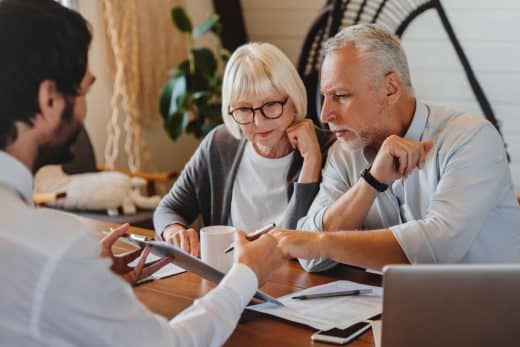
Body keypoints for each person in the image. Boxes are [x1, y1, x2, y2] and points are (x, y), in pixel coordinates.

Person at [0, 1, 282, 346]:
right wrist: (245, 276)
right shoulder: (54, 249)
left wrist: (93, 287)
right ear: (49, 100)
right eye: (85, 91)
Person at [270, 24, 520, 272]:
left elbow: (438, 249)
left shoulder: (471, 138)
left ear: (390, 89)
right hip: (389, 306)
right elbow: (310, 259)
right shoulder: (343, 154)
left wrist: (322, 243)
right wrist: (371, 182)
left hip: (488, 307)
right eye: (325, 96)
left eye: (341, 95)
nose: (325, 114)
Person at [154, 42, 335, 257]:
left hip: (296, 282)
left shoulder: (328, 150)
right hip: (231, 277)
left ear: (293, 100)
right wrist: (174, 230)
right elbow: (168, 209)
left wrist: (312, 162)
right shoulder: (221, 143)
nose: (258, 121)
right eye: (243, 109)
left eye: (270, 105)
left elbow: (300, 242)